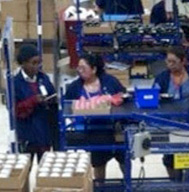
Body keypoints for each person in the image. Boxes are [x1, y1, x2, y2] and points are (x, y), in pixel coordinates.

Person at [64, 53, 127, 181]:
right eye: (78, 68)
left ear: (94, 69)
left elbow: (124, 97)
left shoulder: (110, 82)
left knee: (123, 155)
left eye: (83, 68)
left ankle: (127, 184)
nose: (79, 71)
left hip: (114, 127)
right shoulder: (74, 87)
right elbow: (68, 108)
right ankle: (100, 188)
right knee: (98, 160)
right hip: (92, 130)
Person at [153, 47, 189, 181]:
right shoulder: (162, 78)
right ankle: (174, 182)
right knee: (170, 156)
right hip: (170, 123)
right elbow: (153, 96)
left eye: (173, 62)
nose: (169, 65)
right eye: (168, 61)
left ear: (183, 61)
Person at [14, 44, 57, 164]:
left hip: (44, 131)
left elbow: (52, 93)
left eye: (38, 63)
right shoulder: (16, 84)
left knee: (44, 167)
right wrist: (33, 101)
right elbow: (16, 111)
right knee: (24, 169)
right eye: (33, 63)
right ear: (23, 64)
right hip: (27, 134)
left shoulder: (43, 78)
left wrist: (52, 100)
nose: (37, 66)